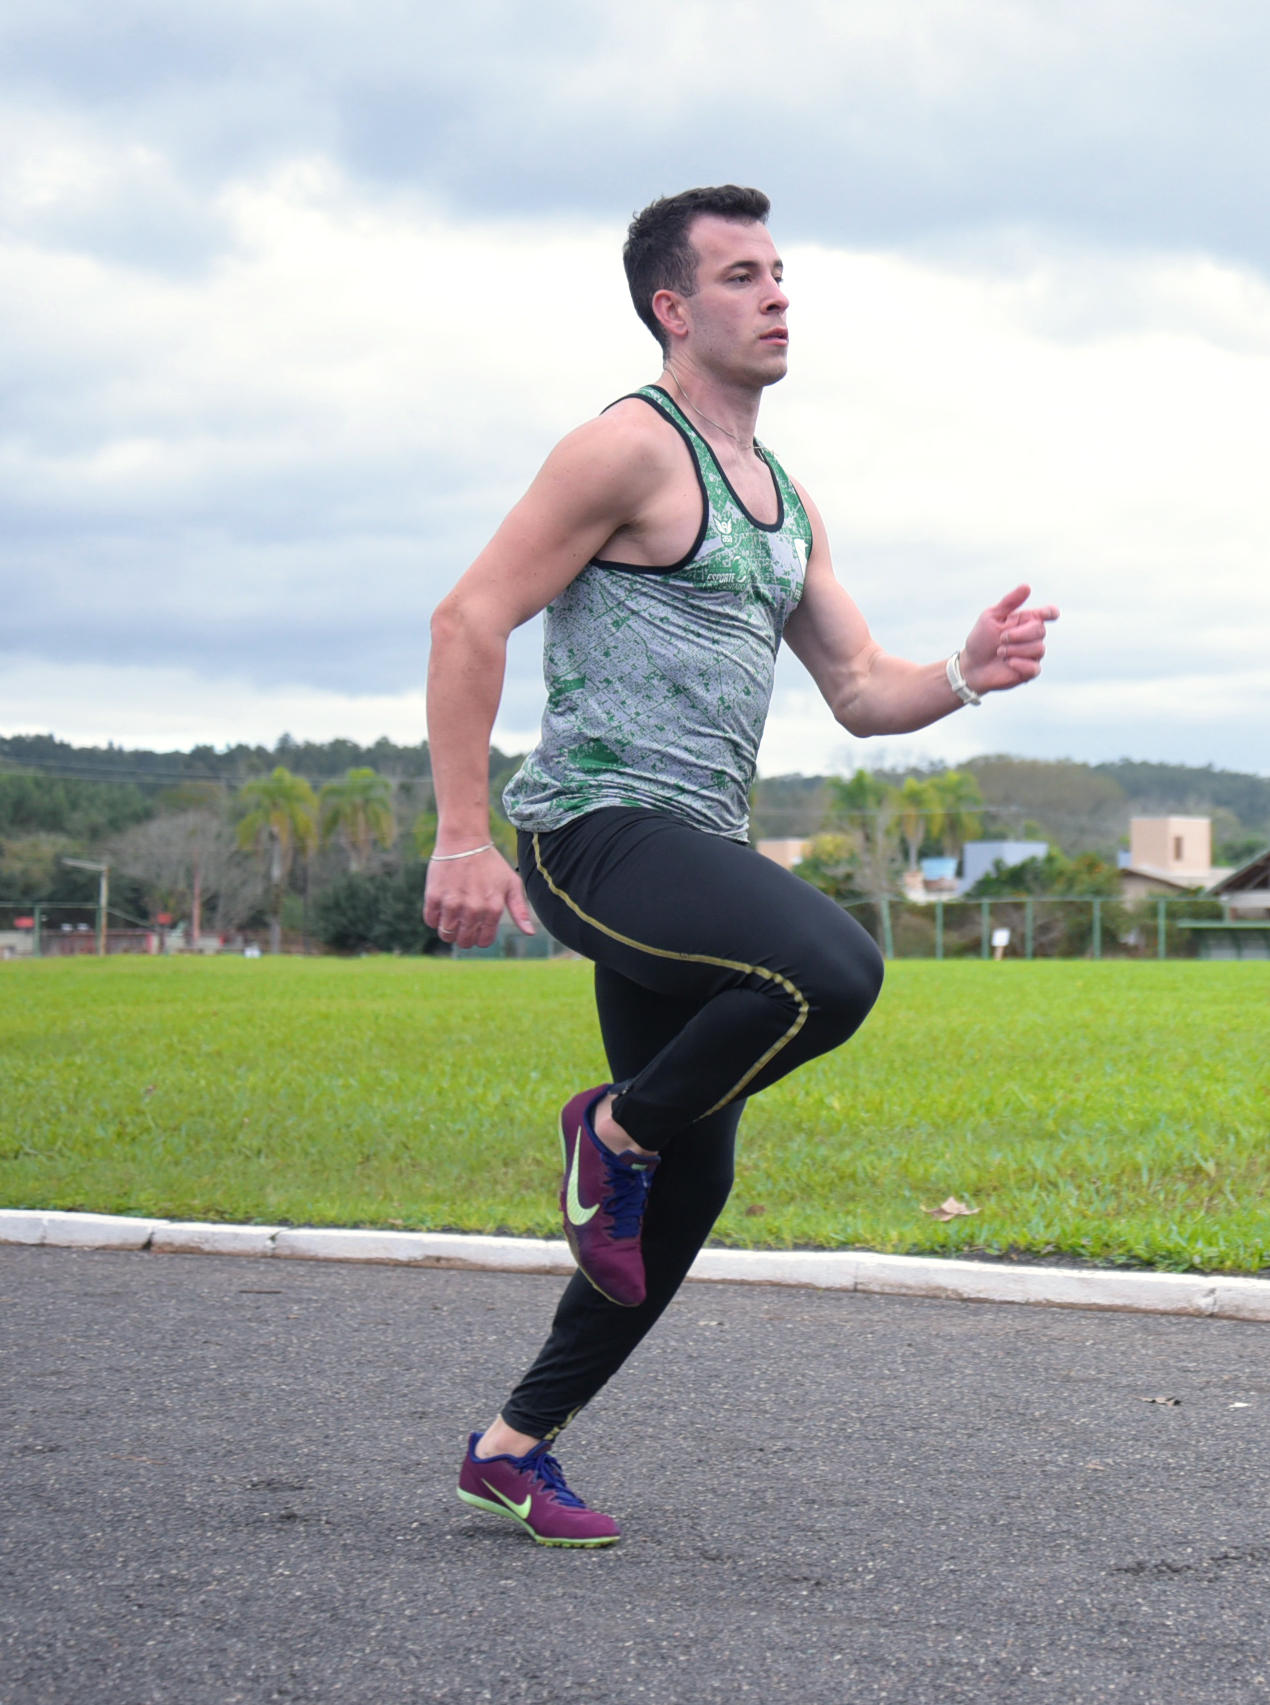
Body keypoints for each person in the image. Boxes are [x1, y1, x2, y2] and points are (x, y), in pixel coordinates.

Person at [421, 185, 1057, 1548]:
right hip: (593, 824)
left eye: (780, 273)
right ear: (673, 307)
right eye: (741, 275)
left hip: (689, 848)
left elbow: (861, 690)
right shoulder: (622, 450)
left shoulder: (782, 500)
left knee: (691, 1189)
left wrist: (962, 672)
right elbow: (468, 614)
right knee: (828, 968)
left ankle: (513, 1442)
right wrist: (462, 834)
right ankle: (612, 1131)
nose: (776, 296)